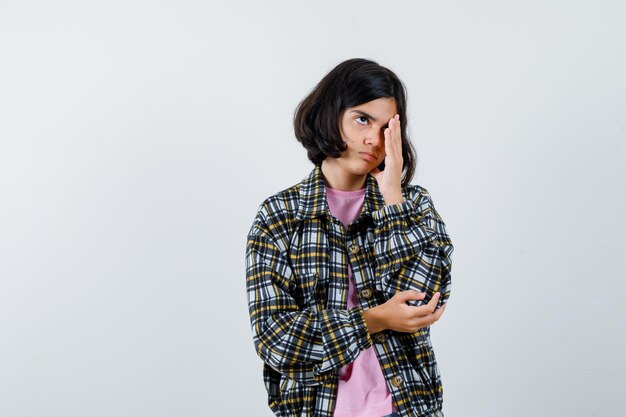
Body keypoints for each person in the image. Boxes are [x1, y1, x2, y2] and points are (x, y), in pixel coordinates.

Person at [245, 58, 454, 417]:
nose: (374, 139)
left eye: (387, 127)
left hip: (405, 409)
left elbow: (425, 302)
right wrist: (373, 319)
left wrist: (392, 200)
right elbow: (276, 340)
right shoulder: (279, 217)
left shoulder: (412, 205)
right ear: (330, 115)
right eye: (362, 119)